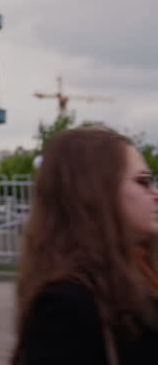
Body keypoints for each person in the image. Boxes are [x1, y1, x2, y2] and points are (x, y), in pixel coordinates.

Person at [11, 126, 158, 364]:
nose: (155, 194)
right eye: (143, 182)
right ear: (95, 193)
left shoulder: (141, 276)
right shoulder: (67, 306)